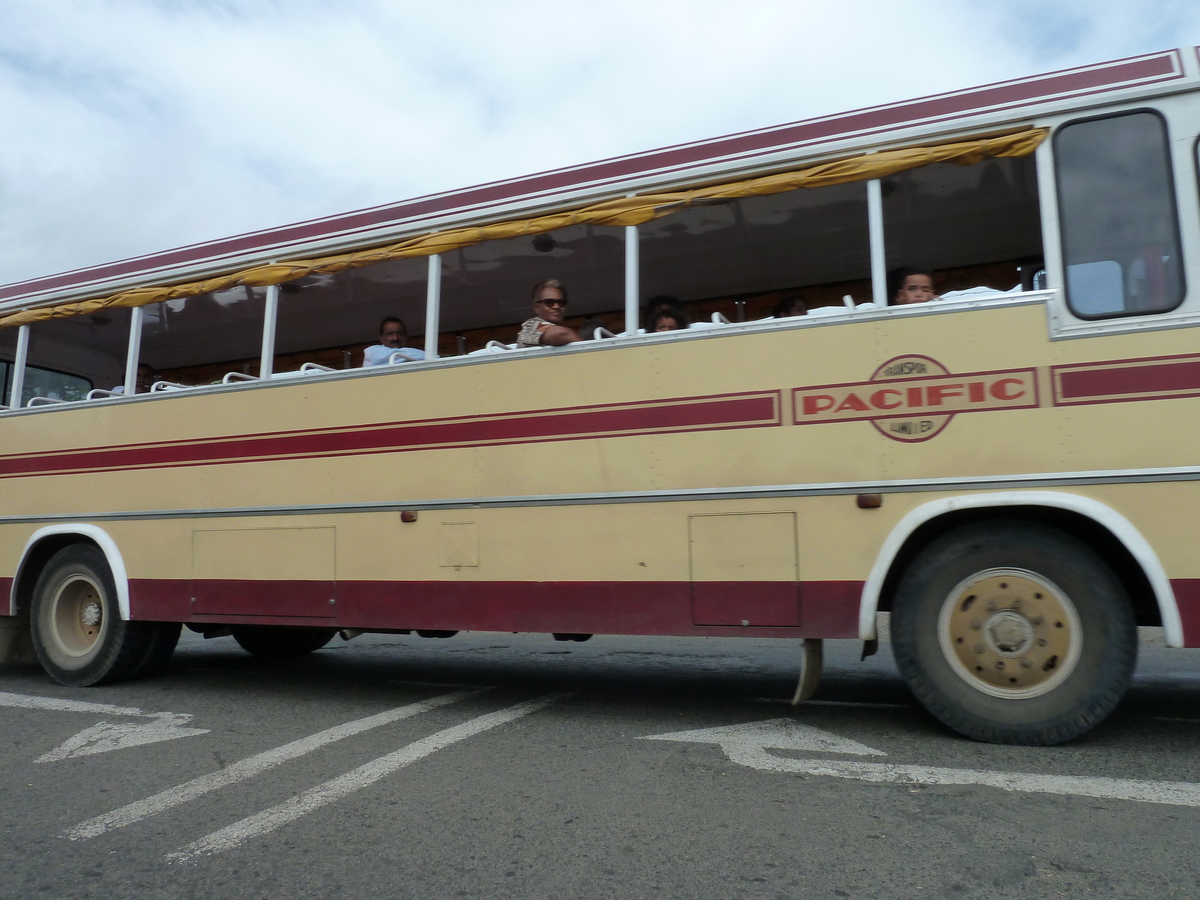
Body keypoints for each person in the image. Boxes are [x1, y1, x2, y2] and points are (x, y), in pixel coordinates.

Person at [517, 280, 581, 347]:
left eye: (561, 302)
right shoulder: (531, 326)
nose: (557, 306)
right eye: (549, 302)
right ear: (536, 307)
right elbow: (561, 334)